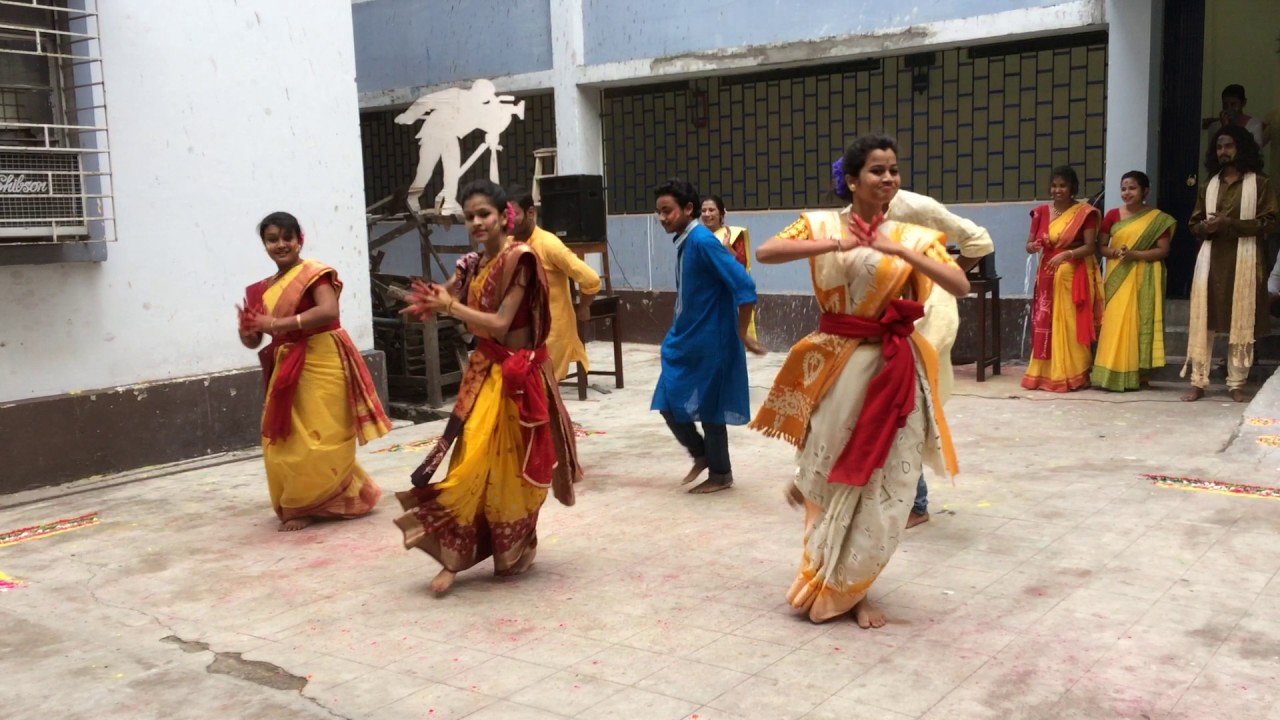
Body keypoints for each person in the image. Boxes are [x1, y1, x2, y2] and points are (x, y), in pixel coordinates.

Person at [750, 135, 968, 628]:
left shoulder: (912, 235)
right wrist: (839, 243)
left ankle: (854, 589)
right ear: (851, 180)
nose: (888, 178)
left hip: (893, 371)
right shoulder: (822, 225)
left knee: (882, 487)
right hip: (838, 367)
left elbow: (958, 284)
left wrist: (899, 250)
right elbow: (766, 251)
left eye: (893, 170)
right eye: (876, 170)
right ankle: (825, 578)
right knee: (832, 478)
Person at [393, 180, 581, 593]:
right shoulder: (472, 264)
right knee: (469, 462)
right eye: (469, 216)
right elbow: (446, 295)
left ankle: (516, 546)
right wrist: (428, 303)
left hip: (520, 376)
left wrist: (449, 306)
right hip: (485, 373)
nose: (477, 222)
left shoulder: (521, 260)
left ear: (503, 217)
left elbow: (498, 323)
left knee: (514, 470)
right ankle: (452, 559)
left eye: (484, 214)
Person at [238, 212, 391, 532]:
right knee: (285, 440)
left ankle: (321, 501)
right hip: (286, 365)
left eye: (287, 237)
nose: (281, 244)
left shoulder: (314, 274)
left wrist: (275, 323)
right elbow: (255, 340)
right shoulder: (261, 290)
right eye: (272, 239)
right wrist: (247, 329)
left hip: (322, 358)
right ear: (265, 245)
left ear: (300, 240)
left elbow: (328, 311)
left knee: (323, 435)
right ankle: (300, 502)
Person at [881, 189, 994, 528]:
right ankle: (895, 498)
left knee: (908, 412)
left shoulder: (916, 206)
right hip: (887, 319)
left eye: (889, 170)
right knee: (887, 412)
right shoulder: (856, 214)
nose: (884, 178)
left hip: (926, 322)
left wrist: (943, 278)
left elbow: (979, 241)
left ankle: (915, 505)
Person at [651, 178, 764, 494]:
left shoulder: (702, 241)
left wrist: (742, 333)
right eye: (659, 212)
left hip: (713, 340)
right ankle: (702, 455)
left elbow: (744, 285)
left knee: (711, 409)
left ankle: (720, 473)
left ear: (688, 209)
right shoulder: (688, 241)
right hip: (689, 339)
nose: (662, 218)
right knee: (668, 401)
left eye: (667, 211)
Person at [1182, 125, 1278, 403]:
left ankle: (1236, 382)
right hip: (1211, 261)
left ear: (1242, 148)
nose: (1223, 151)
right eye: (1219, 147)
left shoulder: (1260, 184)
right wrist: (1207, 227)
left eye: (1229, 146)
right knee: (1204, 319)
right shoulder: (1208, 185)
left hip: (1244, 260)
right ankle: (1198, 381)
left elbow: (1271, 222)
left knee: (1242, 319)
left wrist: (1230, 223)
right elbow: (1194, 224)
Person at [1092, 171, 1177, 392]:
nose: (1127, 193)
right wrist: (1115, 252)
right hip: (1118, 274)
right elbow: (1101, 247)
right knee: (1115, 322)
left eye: (1132, 188)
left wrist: (1134, 255)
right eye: (1123, 188)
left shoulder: (1157, 219)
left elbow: (1163, 250)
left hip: (1145, 277)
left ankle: (1140, 376)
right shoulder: (1112, 215)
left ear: (1145, 191)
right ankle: (1109, 374)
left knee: (1140, 323)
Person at [1021, 166, 1103, 392]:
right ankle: (1044, 373)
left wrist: (1067, 255)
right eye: (1054, 185)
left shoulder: (1084, 213)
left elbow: (1090, 247)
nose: (1057, 190)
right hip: (1047, 274)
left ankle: (1073, 373)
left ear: (1072, 188)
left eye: (1063, 186)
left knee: (1068, 323)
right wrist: (1033, 246)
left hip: (1072, 275)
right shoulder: (1040, 213)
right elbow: (1028, 245)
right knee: (1045, 321)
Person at [509, 185, 602, 381]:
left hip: (549, 335)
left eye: (513, 214)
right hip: (517, 334)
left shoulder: (549, 244)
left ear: (530, 213)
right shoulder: (507, 244)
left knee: (542, 391)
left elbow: (591, 279)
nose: (508, 221)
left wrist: (584, 307)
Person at [701, 195, 758, 341]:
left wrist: (727, 249)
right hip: (706, 296)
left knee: (731, 338)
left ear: (721, 213)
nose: (707, 214)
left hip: (729, 295)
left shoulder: (733, 234)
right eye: (704, 211)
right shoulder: (698, 237)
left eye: (711, 210)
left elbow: (742, 265)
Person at [1202, 84, 1268, 150]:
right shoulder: (1214, 127)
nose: (1228, 108)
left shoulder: (1254, 125)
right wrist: (1225, 128)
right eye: (1225, 104)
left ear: (1243, 103)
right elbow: (1214, 151)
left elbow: (1255, 151)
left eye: (1233, 104)